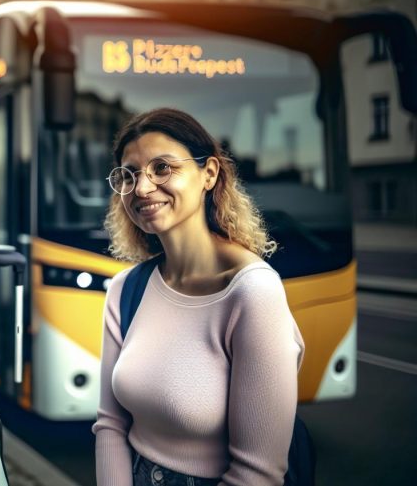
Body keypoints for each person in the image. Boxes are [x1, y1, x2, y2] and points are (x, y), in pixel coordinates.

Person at [93, 108, 304, 486]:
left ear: (209, 174)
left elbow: (256, 475)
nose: (142, 188)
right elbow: (110, 425)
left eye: (162, 168)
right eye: (130, 174)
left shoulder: (252, 292)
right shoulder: (126, 290)